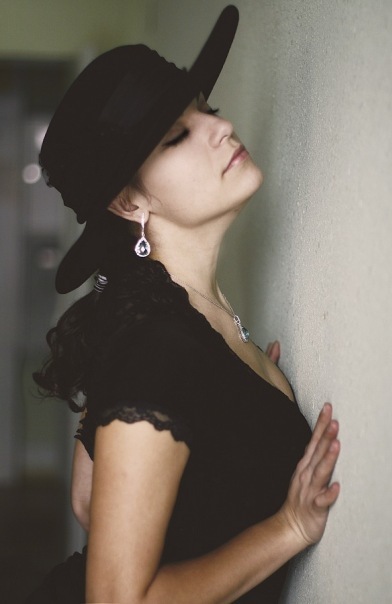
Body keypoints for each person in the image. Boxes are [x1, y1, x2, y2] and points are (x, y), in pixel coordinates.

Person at [26, 6, 340, 603]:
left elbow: (89, 501)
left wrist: (236, 400)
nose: (220, 128)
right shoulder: (159, 346)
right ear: (129, 203)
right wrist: (289, 528)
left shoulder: (182, 327)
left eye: (207, 110)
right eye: (177, 134)